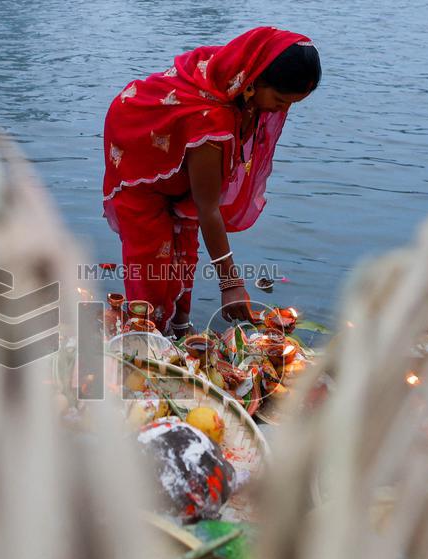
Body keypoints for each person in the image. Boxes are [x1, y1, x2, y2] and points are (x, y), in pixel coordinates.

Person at [102, 26, 321, 335]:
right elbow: (208, 209)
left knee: (185, 260)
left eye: (292, 104)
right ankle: (144, 345)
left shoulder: (238, 81)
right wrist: (231, 284)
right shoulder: (211, 123)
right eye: (280, 99)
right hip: (141, 171)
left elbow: (204, 207)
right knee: (153, 277)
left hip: (180, 170)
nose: (282, 110)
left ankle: (180, 334)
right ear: (255, 79)